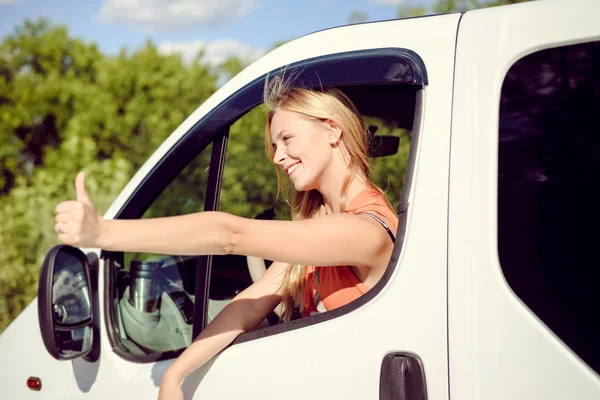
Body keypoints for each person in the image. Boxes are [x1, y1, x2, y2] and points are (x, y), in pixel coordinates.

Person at [54, 74, 399, 400]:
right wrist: (176, 373)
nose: (277, 158)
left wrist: (103, 232)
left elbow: (229, 235)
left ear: (332, 130)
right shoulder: (322, 224)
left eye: (287, 139)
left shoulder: (365, 230)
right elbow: (252, 302)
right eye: (274, 145)